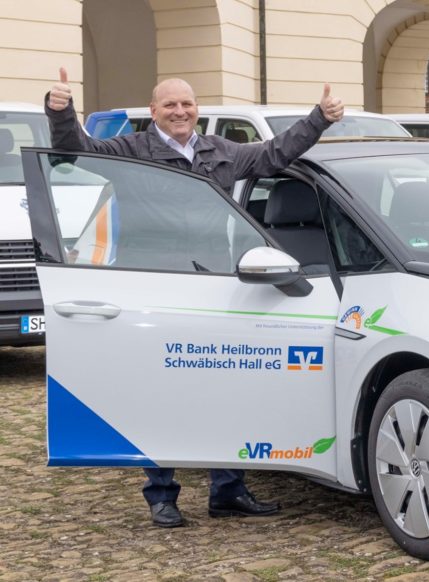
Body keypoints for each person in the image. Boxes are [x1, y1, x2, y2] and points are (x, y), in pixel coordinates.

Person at [45, 67, 345, 529]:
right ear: (153, 111)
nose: (180, 112)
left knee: (225, 387)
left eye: (187, 104)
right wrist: (61, 112)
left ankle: (228, 490)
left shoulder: (219, 150)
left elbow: (274, 153)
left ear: (197, 109)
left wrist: (319, 118)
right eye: (170, 105)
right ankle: (161, 495)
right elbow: (73, 151)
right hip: (154, 286)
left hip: (215, 284)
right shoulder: (130, 150)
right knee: (158, 392)